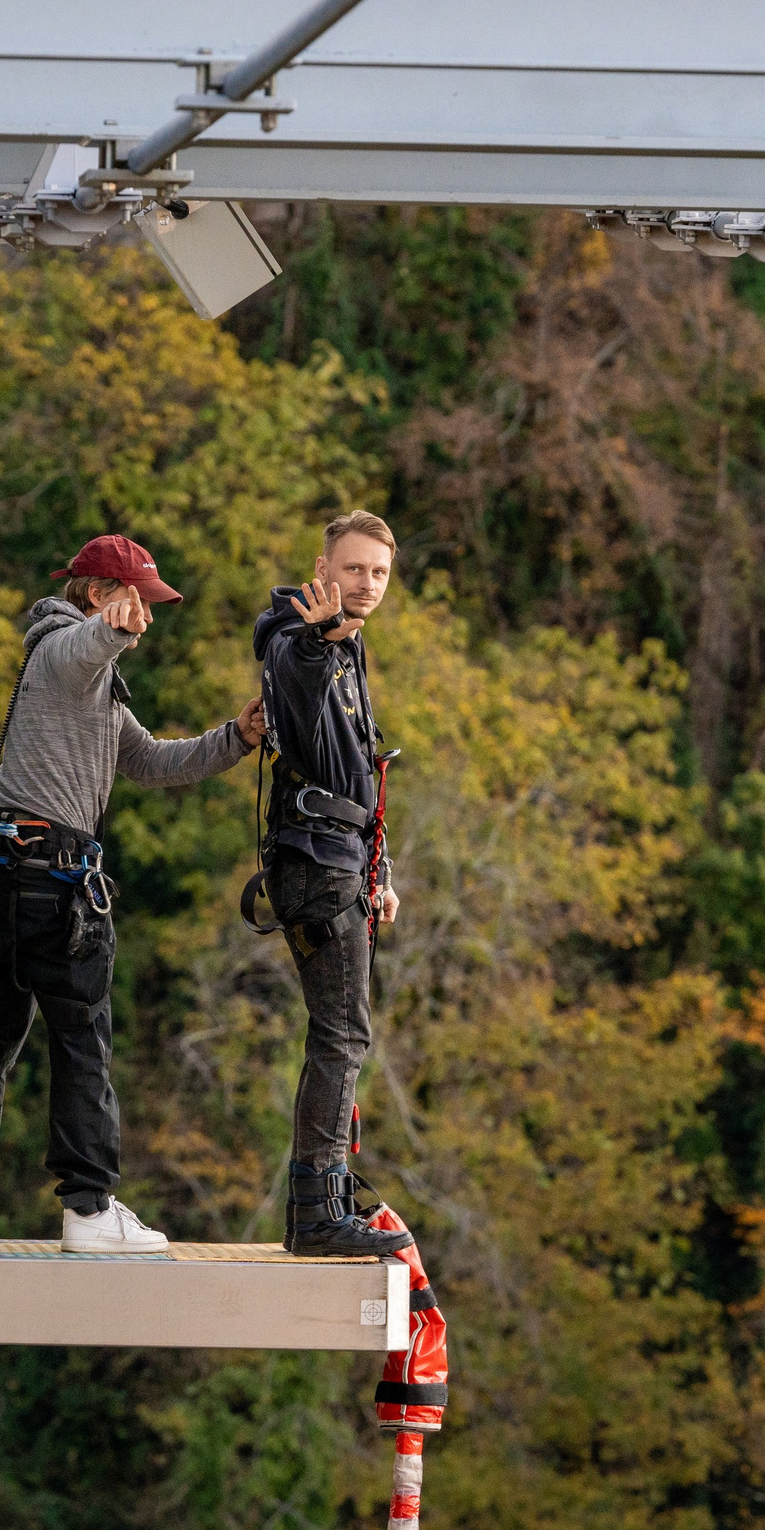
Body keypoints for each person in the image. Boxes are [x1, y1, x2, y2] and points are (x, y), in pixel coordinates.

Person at [0, 533, 265, 1254]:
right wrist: (107, 631)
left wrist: (237, 736)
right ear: (95, 596)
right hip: (52, 882)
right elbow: (80, 649)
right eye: (135, 599)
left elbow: (153, 760)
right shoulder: (61, 650)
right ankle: (87, 1208)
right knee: (83, 1044)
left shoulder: (93, 690)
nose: (147, 615)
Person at [251, 511, 415, 1258]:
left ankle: (325, 1198)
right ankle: (318, 1209)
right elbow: (296, 673)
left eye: (379, 573)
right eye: (354, 570)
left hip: (338, 860)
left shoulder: (352, 645)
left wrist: (379, 870)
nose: (367, 584)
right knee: (343, 1032)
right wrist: (324, 638)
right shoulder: (297, 635)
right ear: (324, 567)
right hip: (314, 865)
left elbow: (359, 770)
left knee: (344, 1030)